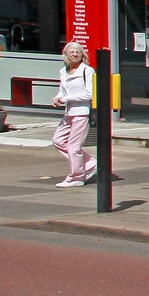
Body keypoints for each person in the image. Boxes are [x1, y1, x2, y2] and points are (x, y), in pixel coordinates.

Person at [52, 42, 95, 188]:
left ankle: (77, 177)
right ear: (66, 55)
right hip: (69, 113)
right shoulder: (63, 71)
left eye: (78, 52)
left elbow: (89, 94)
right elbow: (63, 90)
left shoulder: (87, 71)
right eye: (72, 52)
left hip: (82, 112)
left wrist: (66, 98)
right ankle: (89, 163)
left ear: (82, 55)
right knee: (58, 140)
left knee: (74, 147)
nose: (75, 54)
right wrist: (58, 98)